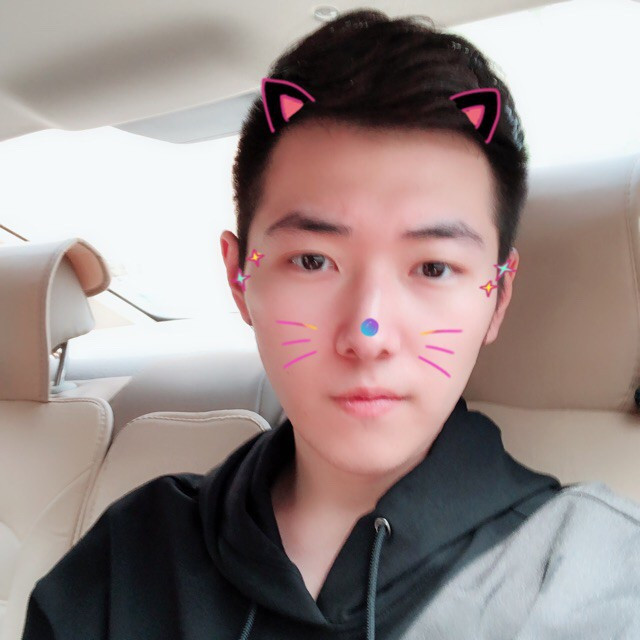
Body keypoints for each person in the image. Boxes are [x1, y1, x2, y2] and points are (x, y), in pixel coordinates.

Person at [21, 8, 640, 640]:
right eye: (313, 261)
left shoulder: (595, 577)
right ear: (239, 277)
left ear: (498, 297)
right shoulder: (132, 559)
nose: (368, 335)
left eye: (432, 268)